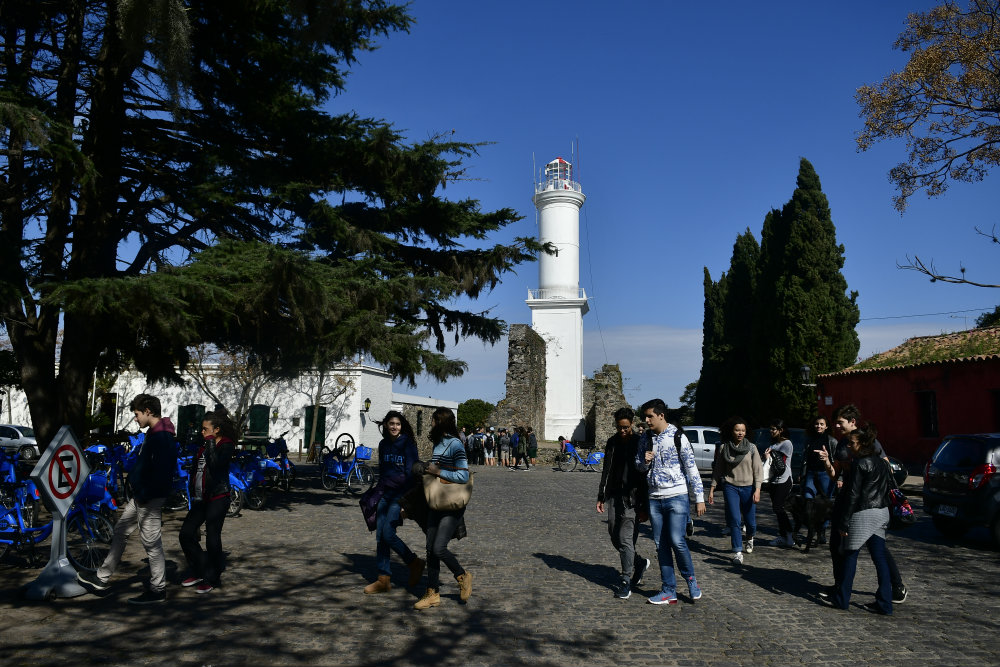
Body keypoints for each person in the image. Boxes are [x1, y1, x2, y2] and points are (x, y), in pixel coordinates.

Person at [77, 394, 178, 605]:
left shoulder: (161, 437)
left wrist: (144, 493)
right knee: (121, 531)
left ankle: (158, 589)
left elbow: (161, 472)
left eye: (137, 414)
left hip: (148, 497)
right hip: (142, 495)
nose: (135, 418)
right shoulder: (156, 433)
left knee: (151, 543)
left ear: (148, 411)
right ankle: (101, 577)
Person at [820, 403, 908, 604]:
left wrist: (866, 486)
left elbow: (885, 468)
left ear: (852, 422)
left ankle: (895, 587)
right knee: (837, 545)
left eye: (841, 423)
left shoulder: (868, 442)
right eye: (836, 423)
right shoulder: (843, 444)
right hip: (847, 498)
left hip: (866, 503)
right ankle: (840, 586)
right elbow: (835, 475)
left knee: (875, 549)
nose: (837, 427)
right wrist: (826, 462)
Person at [635, 398, 705, 605]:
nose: (646, 420)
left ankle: (691, 580)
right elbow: (638, 466)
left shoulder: (677, 436)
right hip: (655, 498)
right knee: (660, 544)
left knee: (676, 540)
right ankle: (668, 590)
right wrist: (644, 461)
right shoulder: (645, 437)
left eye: (650, 416)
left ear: (661, 415)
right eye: (645, 417)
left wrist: (699, 498)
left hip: (677, 496)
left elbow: (691, 468)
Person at [825, 422, 893, 614]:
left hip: (863, 513)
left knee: (850, 556)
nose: (849, 446)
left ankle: (842, 599)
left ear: (862, 444)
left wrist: (844, 522)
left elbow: (853, 495)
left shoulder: (859, 464)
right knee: (880, 558)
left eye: (852, 443)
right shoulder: (882, 462)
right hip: (881, 512)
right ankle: (885, 603)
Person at [413, 407, 472, 609]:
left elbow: (463, 475)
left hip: (452, 504)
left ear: (441, 422)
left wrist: (438, 470)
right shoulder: (438, 443)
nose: (431, 423)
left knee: (439, 548)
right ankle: (432, 593)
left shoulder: (455, 444)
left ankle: (462, 576)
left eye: (433, 420)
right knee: (430, 550)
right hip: (436, 500)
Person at [363, 411, 424, 594]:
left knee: (388, 534)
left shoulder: (408, 444)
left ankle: (414, 562)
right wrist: (377, 494)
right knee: (380, 536)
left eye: (397, 424)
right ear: (386, 425)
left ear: (401, 425)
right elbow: (383, 471)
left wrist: (406, 502)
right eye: (391, 423)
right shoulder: (383, 445)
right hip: (385, 494)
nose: (394, 427)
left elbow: (412, 474)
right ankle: (383, 579)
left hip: (400, 496)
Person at [178, 409, 236, 594]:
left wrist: (210, 442)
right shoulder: (203, 445)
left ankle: (212, 576)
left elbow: (216, 465)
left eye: (205, 429)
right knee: (186, 533)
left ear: (216, 429)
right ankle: (200, 568)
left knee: (212, 537)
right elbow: (198, 470)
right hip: (201, 497)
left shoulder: (226, 445)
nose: (202, 432)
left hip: (218, 496)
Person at [597, 407, 650, 599]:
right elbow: (606, 470)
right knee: (614, 536)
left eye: (626, 427)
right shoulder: (612, 442)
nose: (623, 431)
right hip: (614, 495)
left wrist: (644, 507)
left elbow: (644, 476)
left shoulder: (639, 442)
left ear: (632, 424)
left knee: (626, 539)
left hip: (633, 499)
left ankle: (625, 579)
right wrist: (601, 495)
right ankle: (638, 562)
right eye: (620, 427)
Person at [708, 416, 762, 565]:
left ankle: (750, 538)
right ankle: (737, 551)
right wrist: (712, 488)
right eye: (737, 430)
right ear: (732, 431)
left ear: (746, 432)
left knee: (750, 523)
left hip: (749, 487)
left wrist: (757, 489)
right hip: (730, 486)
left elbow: (758, 470)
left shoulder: (751, 448)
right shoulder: (724, 448)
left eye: (743, 430)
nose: (740, 433)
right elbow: (718, 469)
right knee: (735, 520)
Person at [800, 415, 838, 544]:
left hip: (825, 474)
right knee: (808, 499)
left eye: (822, 424)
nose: (819, 426)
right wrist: (802, 474)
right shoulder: (808, 439)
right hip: (811, 473)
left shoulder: (831, 441)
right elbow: (804, 459)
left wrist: (839, 477)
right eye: (817, 424)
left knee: (825, 503)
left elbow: (838, 461)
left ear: (826, 426)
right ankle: (812, 528)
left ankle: (822, 531)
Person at [764, 419, 795, 547]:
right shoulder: (774, 444)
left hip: (784, 479)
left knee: (778, 507)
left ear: (781, 430)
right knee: (777, 509)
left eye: (773, 429)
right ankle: (784, 535)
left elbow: (780, 463)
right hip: (774, 480)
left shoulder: (787, 443)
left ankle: (788, 536)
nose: (771, 431)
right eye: (770, 429)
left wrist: (768, 457)